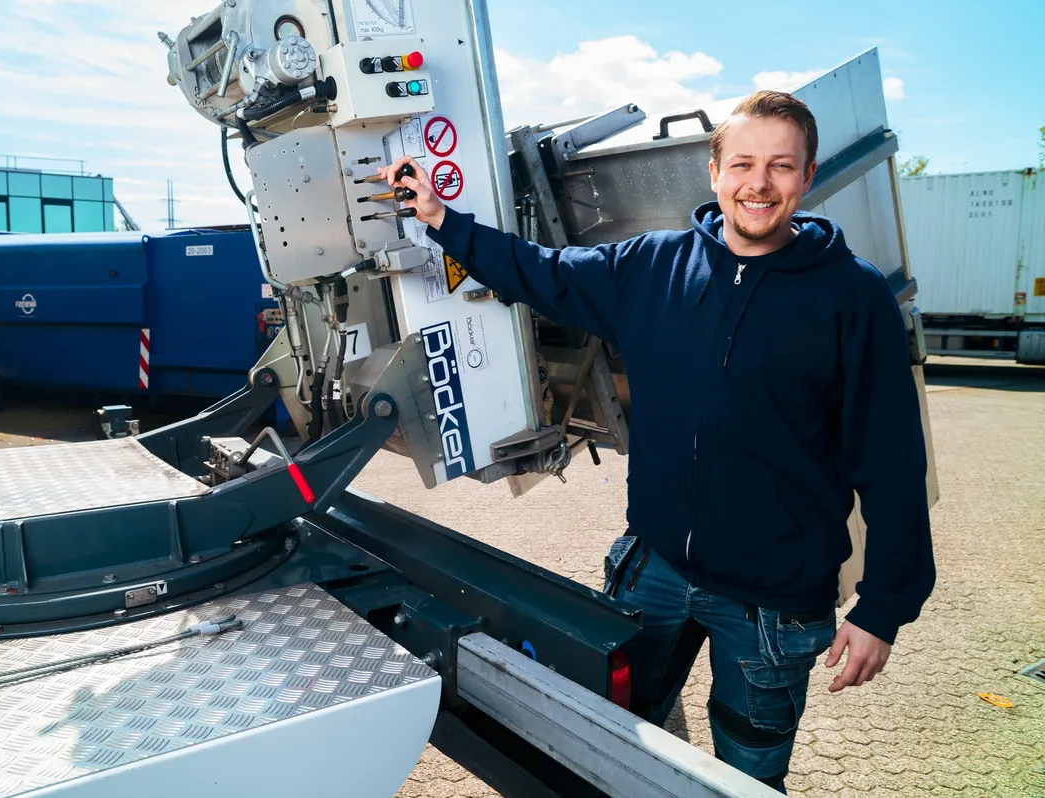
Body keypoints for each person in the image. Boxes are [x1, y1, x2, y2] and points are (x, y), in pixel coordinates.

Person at [377, 90, 935, 792]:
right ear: (713, 172)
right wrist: (440, 221)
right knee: (607, 746)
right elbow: (539, 273)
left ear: (809, 175)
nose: (758, 184)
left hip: (773, 600)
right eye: (742, 164)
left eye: (780, 166)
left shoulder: (853, 298)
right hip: (657, 569)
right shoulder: (651, 266)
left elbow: (890, 459)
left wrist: (885, 606)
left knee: (747, 778)